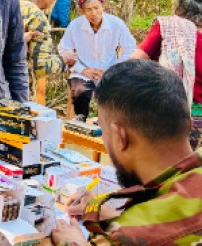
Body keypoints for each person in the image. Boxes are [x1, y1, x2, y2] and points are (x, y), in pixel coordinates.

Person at [51, 59, 202, 245]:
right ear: (189, 122)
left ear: (120, 137)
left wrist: (71, 242)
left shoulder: (122, 239)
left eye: (103, 130)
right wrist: (114, 217)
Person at [132, 0, 202, 147]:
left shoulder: (168, 27)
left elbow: (135, 62)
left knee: (165, 157)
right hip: (197, 118)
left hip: (169, 109)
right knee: (192, 159)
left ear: (180, 7)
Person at [58, 0, 136, 119]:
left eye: (96, 8)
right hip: (83, 71)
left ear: (103, 6)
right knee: (79, 91)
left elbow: (130, 47)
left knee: (116, 95)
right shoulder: (75, 25)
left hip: (109, 71)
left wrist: (113, 69)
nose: (94, 13)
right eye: (88, 10)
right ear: (82, 11)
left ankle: (106, 124)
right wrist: (82, 69)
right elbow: (63, 49)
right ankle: (80, 122)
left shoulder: (116, 24)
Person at [19, 0, 64, 102]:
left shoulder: (10, 4)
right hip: (18, 97)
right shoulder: (36, 16)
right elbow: (41, 67)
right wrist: (64, 61)